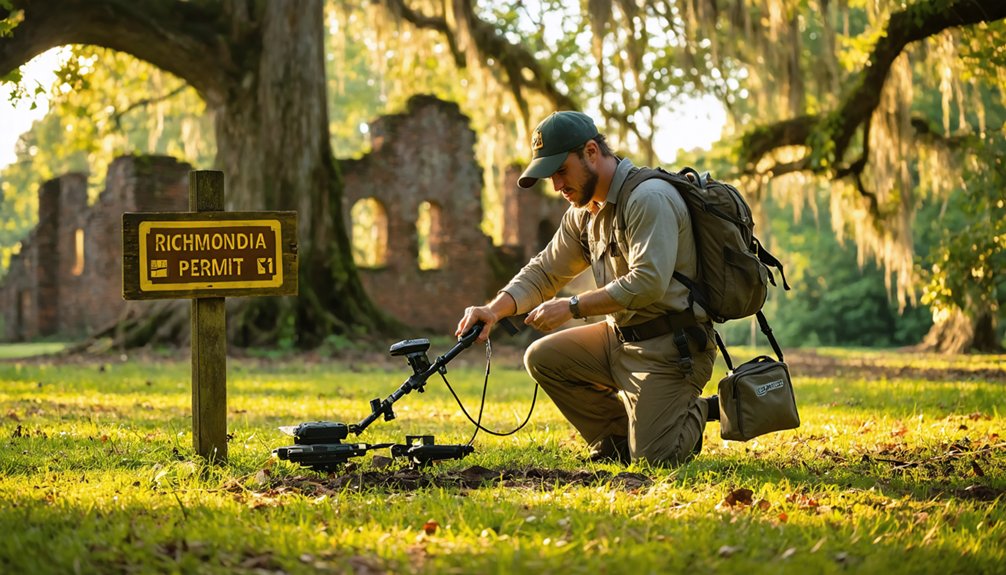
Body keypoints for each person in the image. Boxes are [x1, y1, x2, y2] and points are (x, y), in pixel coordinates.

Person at [456, 111, 719, 466]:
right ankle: (616, 437)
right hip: (619, 337)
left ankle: (696, 412)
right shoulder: (585, 213)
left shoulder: (648, 198)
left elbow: (648, 282)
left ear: (591, 152)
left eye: (561, 171)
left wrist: (572, 306)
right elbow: (545, 270)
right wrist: (493, 310)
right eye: (551, 176)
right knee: (543, 358)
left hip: (670, 347)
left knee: (656, 459)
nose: (556, 185)